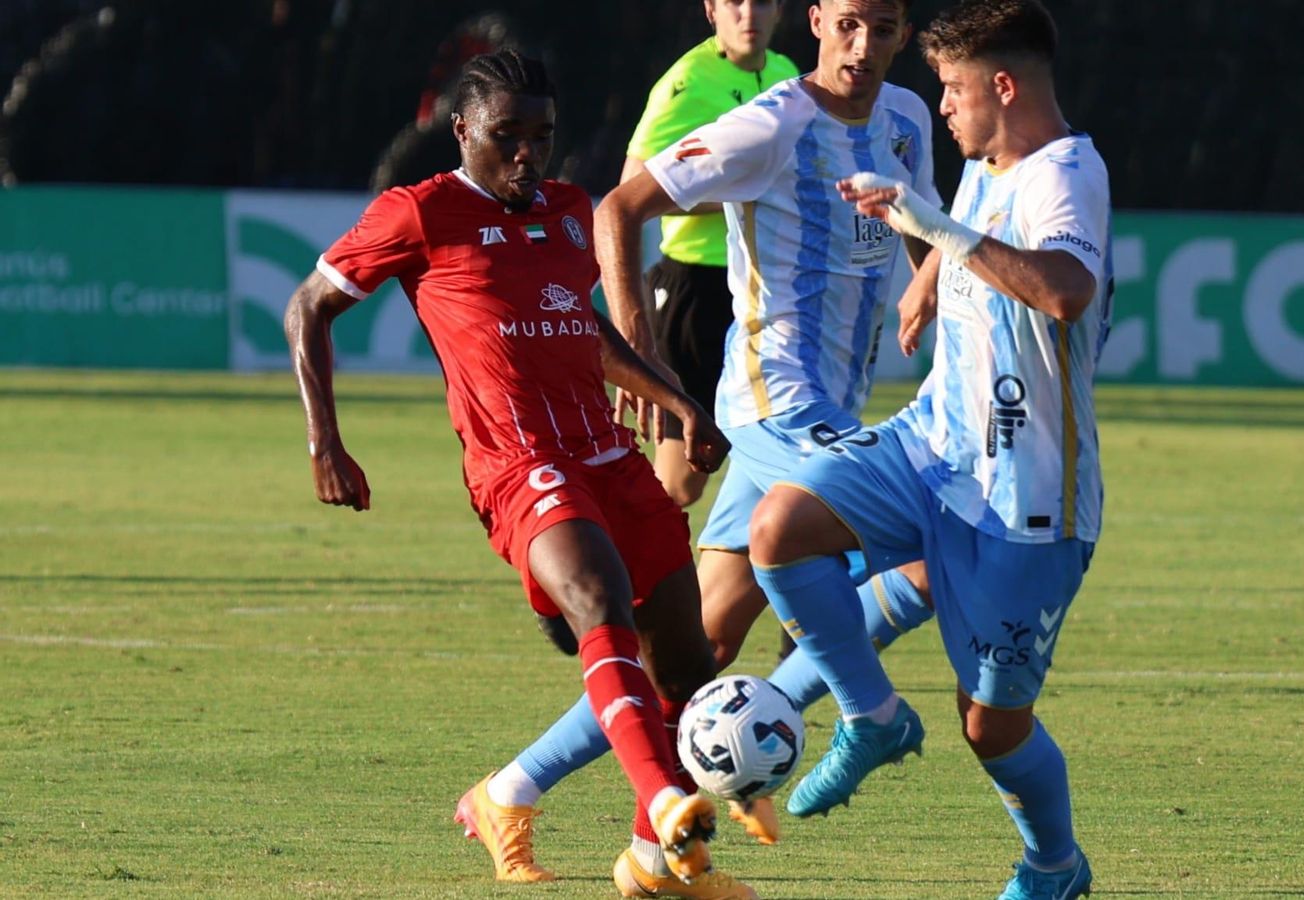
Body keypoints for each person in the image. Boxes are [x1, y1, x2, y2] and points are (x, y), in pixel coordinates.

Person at [488, 1, 940, 892]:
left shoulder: (906, 120)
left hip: (827, 408)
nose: (864, 46)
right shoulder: (770, 124)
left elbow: (921, 223)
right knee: (938, 538)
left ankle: (532, 798)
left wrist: (927, 277)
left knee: (700, 646)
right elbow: (620, 207)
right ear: (816, 20)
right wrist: (639, 354)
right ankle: (866, 713)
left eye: (884, 28)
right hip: (778, 409)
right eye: (848, 22)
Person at [281, 49, 751, 895]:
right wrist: (326, 442)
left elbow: (582, 328)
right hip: (518, 464)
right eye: (510, 136)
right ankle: (672, 809)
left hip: (609, 453)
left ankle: (655, 866)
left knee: (685, 660)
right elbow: (307, 306)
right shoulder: (420, 213)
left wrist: (676, 402)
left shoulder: (570, 210)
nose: (531, 153)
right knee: (600, 604)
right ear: (463, 131)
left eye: (544, 136)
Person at [747, 2, 1110, 897]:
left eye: (952, 89)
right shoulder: (985, 162)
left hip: (1026, 498)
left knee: (990, 727)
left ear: (1005, 86)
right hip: (931, 446)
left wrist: (936, 233)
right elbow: (967, 246)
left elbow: (1062, 290)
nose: (941, 107)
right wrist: (927, 281)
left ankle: (1054, 866)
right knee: (780, 531)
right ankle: (870, 715)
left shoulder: (1066, 171)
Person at [622, 0, 798, 510]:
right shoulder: (686, 83)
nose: (749, 14)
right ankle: (629, 577)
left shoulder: (786, 74)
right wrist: (744, 192)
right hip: (694, 293)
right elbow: (631, 191)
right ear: (711, 11)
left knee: (778, 461)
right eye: (734, 2)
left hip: (762, 295)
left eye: (762, 2)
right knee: (681, 482)